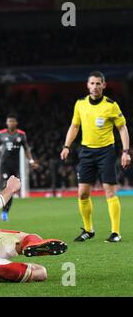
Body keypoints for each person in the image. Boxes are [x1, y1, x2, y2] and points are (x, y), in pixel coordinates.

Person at [60, 71, 131, 243]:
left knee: (110, 192)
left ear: (104, 85)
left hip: (106, 151)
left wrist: (126, 152)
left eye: (98, 83)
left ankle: (115, 232)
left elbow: (122, 128)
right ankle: (88, 230)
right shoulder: (80, 104)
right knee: (83, 193)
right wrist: (66, 146)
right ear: (87, 85)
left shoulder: (111, 105)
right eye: (92, 83)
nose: (95, 86)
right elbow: (74, 126)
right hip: (86, 152)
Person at [0, 114, 38, 221]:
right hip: (4, 164)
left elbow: (26, 149)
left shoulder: (21, 134)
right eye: (9, 121)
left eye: (12, 121)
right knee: (5, 186)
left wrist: (31, 161)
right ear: (6, 123)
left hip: (15, 165)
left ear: (16, 123)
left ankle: (5, 211)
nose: (10, 123)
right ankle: (2, 210)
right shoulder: (1, 134)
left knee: (11, 189)